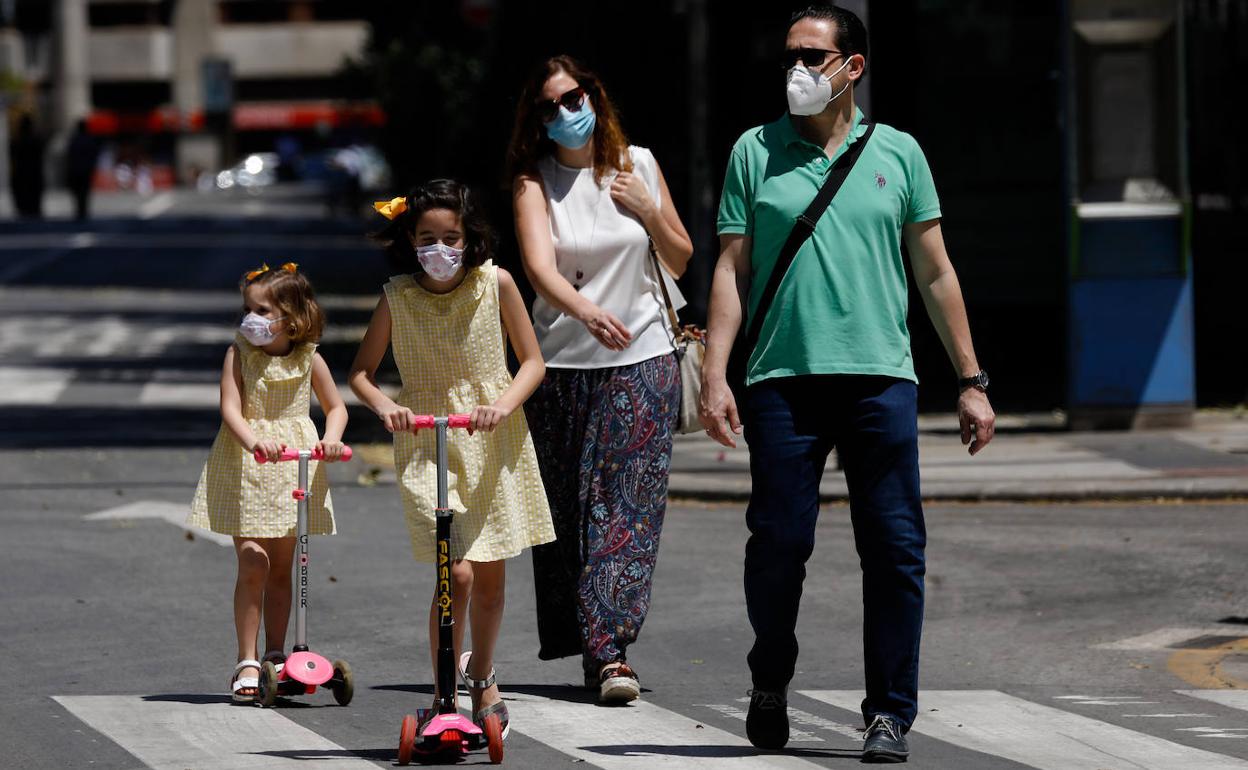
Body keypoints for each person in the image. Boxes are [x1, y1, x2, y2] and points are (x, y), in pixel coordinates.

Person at [699, 4, 997, 762]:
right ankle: (770, 677)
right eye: (790, 56)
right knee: (777, 545)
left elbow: (935, 271)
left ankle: (890, 713)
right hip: (781, 379)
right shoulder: (753, 152)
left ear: (852, 68)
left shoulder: (899, 153)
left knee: (895, 552)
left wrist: (971, 378)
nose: (798, 70)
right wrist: (713, 374)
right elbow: (732, 269)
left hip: (881, 380)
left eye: (814, 56)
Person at [508, 55, 694, 703]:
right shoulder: (535, 182)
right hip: (560, 366)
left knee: (626, 510)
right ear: (536, 120)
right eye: (550, 106)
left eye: (574, 97)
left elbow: (681, 255)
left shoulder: (637, 164)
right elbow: (537, 268)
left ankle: (613, 651)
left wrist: (647, 209)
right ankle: (591, 642)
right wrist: (585, 311)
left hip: (642, 358)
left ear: (595, 96)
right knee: (565, 516)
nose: (566, 112)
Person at [348, 179, 554, 737]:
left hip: (490, 439)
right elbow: (361, 374)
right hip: (427, 440)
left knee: (489, 575)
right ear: (410, 241)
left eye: (451, 237)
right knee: (454, 572)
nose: (440, 248)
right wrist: (386, 407)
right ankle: (444, 687)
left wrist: (502, 404)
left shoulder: (497, 284)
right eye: (427, 238)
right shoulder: (398, 297)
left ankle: (482, 675)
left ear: (469, 237)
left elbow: (531, 362)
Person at [188, 261, 349, 703]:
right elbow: (231, 407)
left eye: (261, 310)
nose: (249, 318)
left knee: (283, 567)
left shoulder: (309, 357)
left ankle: (277, 654)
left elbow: (336, 408)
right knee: (254, 561)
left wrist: (331, 441)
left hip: (295, 464)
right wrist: (254, 441)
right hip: (249, 463)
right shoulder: (239, 352)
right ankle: (246, 657)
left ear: (292, 318)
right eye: (247, 308)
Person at [10, 114, 45, 219]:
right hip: (33, 174)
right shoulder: (35, 140)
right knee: (33, 203)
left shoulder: (17, 141)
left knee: (24, 205)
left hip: (22, 174)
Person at [65, 119, 99, 221]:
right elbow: (93, 155)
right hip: (85, 170)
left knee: (78, 192)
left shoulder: (74, 140)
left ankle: (80, 211)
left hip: (76, 170)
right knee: (83, 192)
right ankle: (82, 210)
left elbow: (70, 156)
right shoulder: (89, 140)